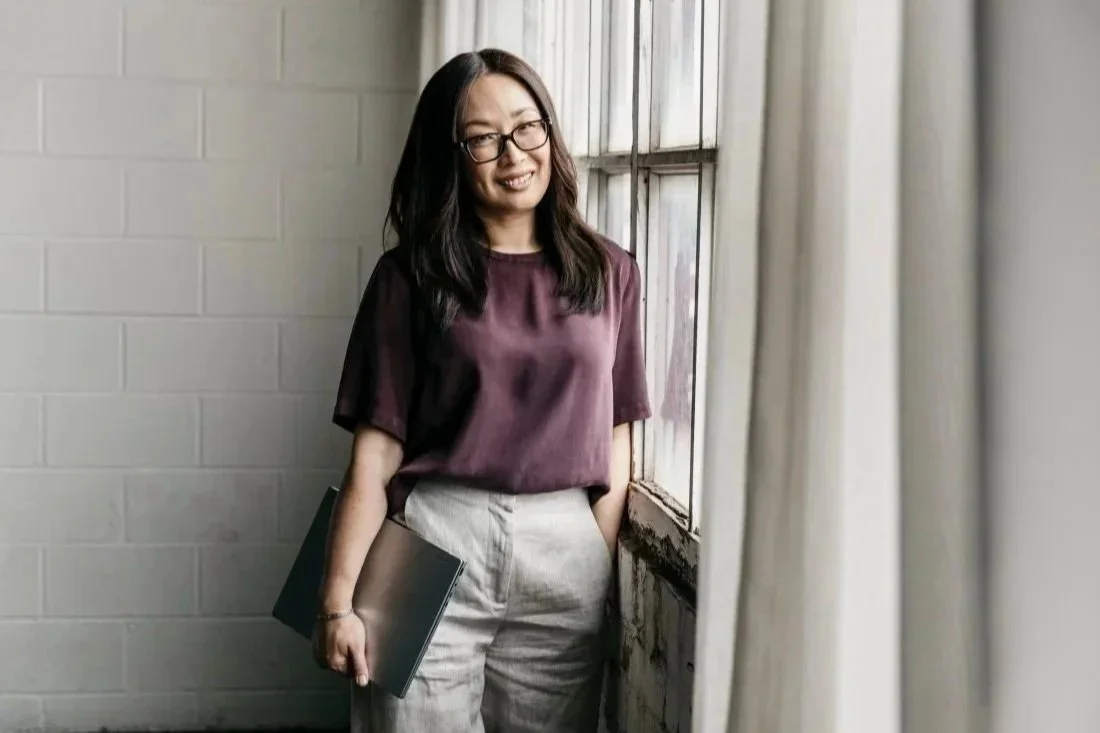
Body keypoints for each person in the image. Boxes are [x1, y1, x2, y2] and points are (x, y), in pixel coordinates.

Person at [311, 48, 651, 733]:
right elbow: (374, 458)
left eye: (528, 127)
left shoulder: (611, 271)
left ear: (550, 132)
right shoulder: (408, 277)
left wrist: (593, 546)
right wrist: (337, 603)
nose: (513, 154)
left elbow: (619, 429)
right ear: (452, 156)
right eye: (483, 139)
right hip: (437, 535)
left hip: (565, 552)